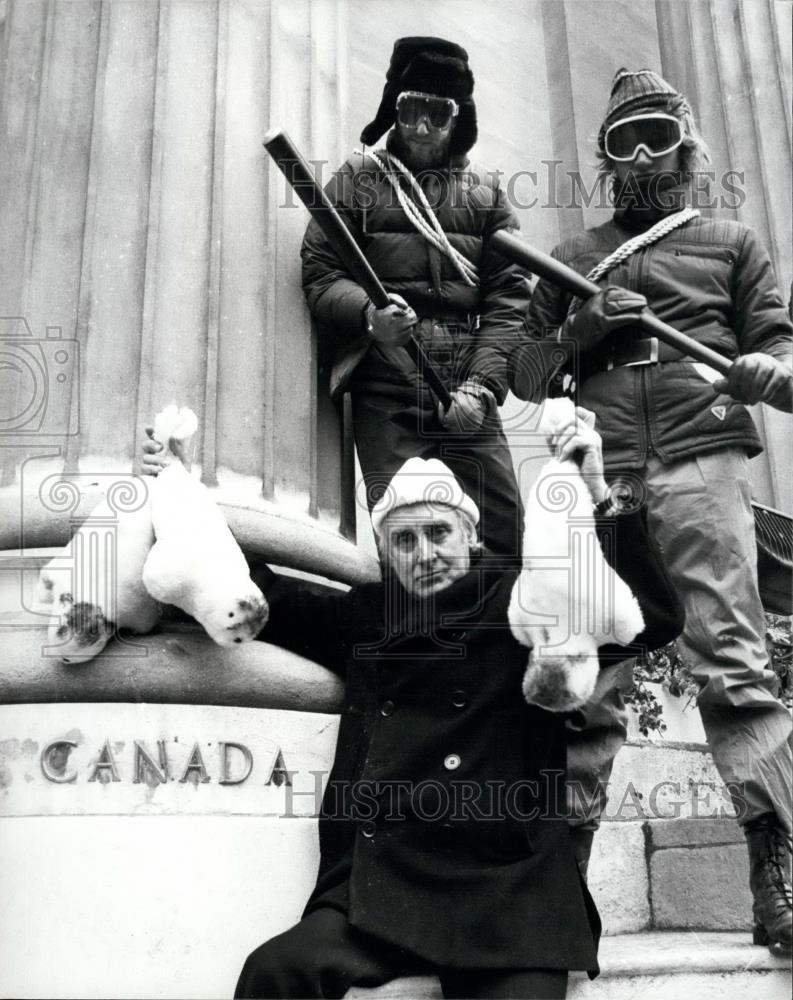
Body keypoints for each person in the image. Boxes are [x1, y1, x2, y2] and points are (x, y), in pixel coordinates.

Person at [149, 408, 685, 1000]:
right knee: (277, 971)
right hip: (386, 886)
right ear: (384, 551)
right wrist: (178, 491)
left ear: (471, 535)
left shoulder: (527, 600)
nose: (424, 553)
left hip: (509, 890)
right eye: (404, 540)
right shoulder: (368, 615)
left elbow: (653, 618)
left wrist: (600, 496)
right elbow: (258, 592)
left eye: (439, 534)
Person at [515, 67, 793, 953]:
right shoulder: (571, 255)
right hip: (596, 469)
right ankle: (555, 894)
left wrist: (764, 373)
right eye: (622, 140)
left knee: (732, 663)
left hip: (701, 455)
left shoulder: (733, 241)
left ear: (687, 150)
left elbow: (778, 350)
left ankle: (776, 872)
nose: (641, 156)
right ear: (604, 157)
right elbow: (522, 376)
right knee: (585, 670)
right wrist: (579, 332)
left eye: (657, 138)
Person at [301, 36, 531, 558]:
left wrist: (480, 388)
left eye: (436, 113)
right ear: (392, 112)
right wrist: (368, 316)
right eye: (409, 111)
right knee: (407, 535)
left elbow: (509, 299)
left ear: (458, 117)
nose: (422, 128)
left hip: (465, 384)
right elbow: (320, 272)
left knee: (504, 534)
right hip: (387, 383)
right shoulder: (358, 179)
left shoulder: (486, 194)